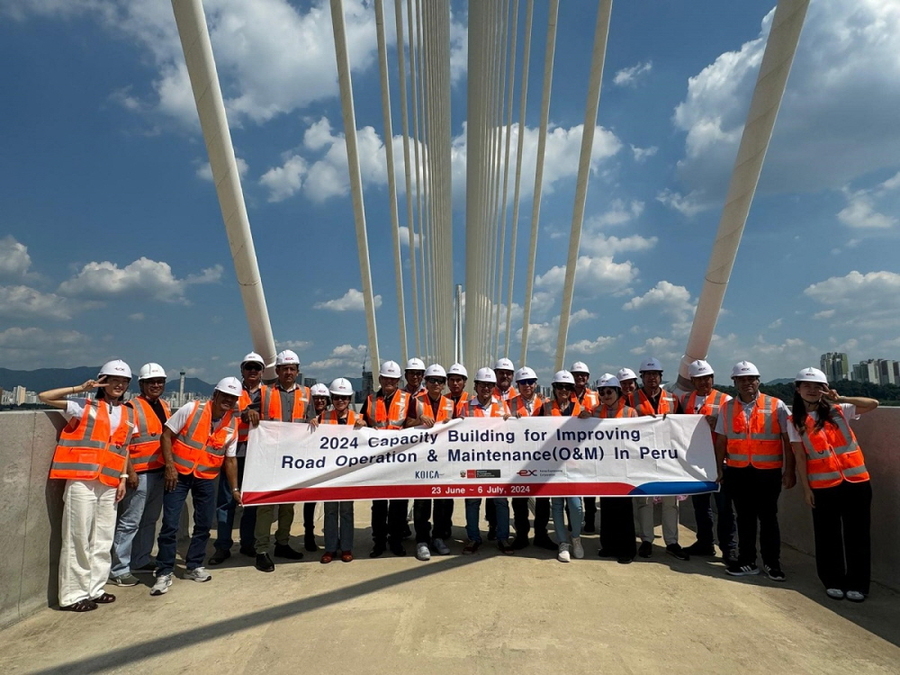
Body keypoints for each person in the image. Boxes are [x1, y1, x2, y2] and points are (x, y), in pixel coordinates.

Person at [40, 360, 135, 612]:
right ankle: (73, 595)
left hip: (110, 482)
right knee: (77, 537)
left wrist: (123, 478)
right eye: (112, 379)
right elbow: (44, 397)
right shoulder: (84, 406)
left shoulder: (127, 413)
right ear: (102, 382)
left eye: (123, 381)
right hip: (82, 479)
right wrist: (79, 387)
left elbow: (123, 448)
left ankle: (95, 588)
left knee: (103, 537)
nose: (119, 384)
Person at [788, 367, 878, 602]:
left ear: (824, 389)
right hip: (823, 486)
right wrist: (807, 490)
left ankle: (858, 584)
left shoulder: (840, 410)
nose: (812, 390)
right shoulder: (795, 421)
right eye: (806, 386)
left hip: (856, 482)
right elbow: (800, 458)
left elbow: (873, 404)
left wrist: (842, 398)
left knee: (857, 536)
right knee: (827, 537)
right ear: (798, 390)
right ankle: (833, 580)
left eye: (817, 386)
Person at [151, 377, 240, 596]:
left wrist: (235, 489)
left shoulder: (232, 424)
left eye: (233, 398)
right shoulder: (192, 408)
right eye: (225, 396)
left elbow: (230, 459)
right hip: (178, 476)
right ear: (215, 395)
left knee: (202, 525)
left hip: (206, 479)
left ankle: (194, 565)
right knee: (170, 524)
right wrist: (169, 466)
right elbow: (166, 434)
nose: (228, 401)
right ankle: (164, 571)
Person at [715, 360, 796, 580]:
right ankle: (747, 561)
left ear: (758, 380)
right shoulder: (727, 408)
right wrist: (719, 468)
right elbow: (722, 440)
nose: (746, 383)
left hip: (767, 471)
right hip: (738, 470)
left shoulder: (776, 405)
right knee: (744, 518)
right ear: (735, 382)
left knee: (769, 518)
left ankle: (772, 563)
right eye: (741, 379)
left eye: (750, 378)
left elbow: (788, 440)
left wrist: (790, 471)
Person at [109, 363, 170, 586]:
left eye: (159, 382)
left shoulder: (164, 405)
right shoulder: (130, 408)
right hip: (140, 474)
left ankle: (140, 559)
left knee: (149, 520)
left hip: (158, 471)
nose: (156, 385)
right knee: (129, 522)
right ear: (142, 384)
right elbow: (123, 443)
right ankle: (119, 569)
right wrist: (130, 472)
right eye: (151, 382)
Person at [251, 350, 309, 572]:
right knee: (266, 506)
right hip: (269, 459)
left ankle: (282, 543)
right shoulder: (264, 393)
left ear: (297, 371)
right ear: (276, 371)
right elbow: (248, 411)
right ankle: (262, 550)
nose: (288, 372)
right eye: (284, 368)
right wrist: (251, 414)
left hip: (293, 460)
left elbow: (311, 420)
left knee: (288, 505)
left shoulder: (306, 393)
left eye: (292, 368)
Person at [631, 357, 688, 561]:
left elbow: (683, 427)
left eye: (655, 374)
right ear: (642, 377)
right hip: (642, 457)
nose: (651, 378)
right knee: (644, 501)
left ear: (660, 376)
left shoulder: (673, 399)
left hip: (667, 459)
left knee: (670, 502)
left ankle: (671, 542)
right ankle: (647, 540)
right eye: (647, 375)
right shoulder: (631, 399)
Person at [679, 360, 736, 562]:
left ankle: (729, 548)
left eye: (708, 378)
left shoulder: (725, 400)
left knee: (724, 507)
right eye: (700, 379)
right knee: (701, 506)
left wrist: (718, 423)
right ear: (693, 380)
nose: (705, 382)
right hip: (696, 462)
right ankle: (705, 542)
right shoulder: (686, 400)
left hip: (719, 460)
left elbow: (734, 430)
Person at [209, 351, 263, 566]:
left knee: (251, 502)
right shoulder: (231, 391)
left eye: (256, 368)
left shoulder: (269, 394)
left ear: (261, 372)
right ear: (242, 370)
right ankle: (223, 546)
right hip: (232, 453)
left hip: (257, 454)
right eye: (249, 367)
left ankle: (248, 543)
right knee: (226, 502)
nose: (252, 371)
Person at [363, 360, 420, 557]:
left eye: (393, 379)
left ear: (398, 381)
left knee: (398, 503)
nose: (389, 382)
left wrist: (422, 421)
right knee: (378, 504)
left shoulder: (407, 398)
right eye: (386, 378)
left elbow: (411, 422)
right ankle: (378, 542)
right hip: (377, 460)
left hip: (399, 458)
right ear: (380, 379)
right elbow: (364, 422)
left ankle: (395, 541)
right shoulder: (370, 400)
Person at [457, 367, 513, 554]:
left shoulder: (502, 407)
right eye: (483, 385)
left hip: (496, 462)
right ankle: (473, 538)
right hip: (474, 461)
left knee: (501, 501)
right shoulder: (465, 407)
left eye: (490, 385)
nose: (486, 388)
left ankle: (503, 538)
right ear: (476, 386)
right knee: (472, 501)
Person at [536, 370, 585, 562]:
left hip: (574, 465)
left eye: (567, 387)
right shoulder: (546, 408)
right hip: (553, 464)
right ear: (554, 389)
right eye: (559, 387)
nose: (563, 390)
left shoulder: (581, 408)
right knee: (556, 505)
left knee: (576, 506)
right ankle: (563, 543)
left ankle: (576, 538)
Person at [316, 378, 365, 564]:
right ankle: (329, 548)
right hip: (329, 472)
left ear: (350, 398)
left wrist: (364, 428)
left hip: (348, 473)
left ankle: (346, 547)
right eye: (336, 397)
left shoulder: (358, 419)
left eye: (344, 397)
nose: (340, 401)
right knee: (330, 511)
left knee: (346, 510)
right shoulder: (323, 418)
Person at [591, 374, 639, 564]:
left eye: (609, 391)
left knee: (624, 510)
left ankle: (627, 549)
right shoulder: (595, 413)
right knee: (607, 508)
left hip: (623, 468)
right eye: (602, 392)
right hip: (604, 467)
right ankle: (609, 545)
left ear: (618, 391)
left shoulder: (630, 412)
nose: (605, 395)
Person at [412, 364, 456, 560]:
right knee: (421, 501)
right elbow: (405, 425)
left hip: (442, 459)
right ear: (426, 383)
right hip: (421, 458)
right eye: (432, 381)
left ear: (444, 384)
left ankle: (437, 537)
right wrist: (418, 419)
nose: (436, 384)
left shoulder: (450, 403)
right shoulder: (416, 401)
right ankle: (422, 540)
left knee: (441, 501)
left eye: (439, 381)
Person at [509, 367, 554, 551]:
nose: (527, 386)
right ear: (517, 385)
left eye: (530, 382)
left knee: (543, 499)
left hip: (541, 457)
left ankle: (541, 535)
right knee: (519, 500)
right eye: (523, 383)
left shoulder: (546, 403)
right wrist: (509, 418)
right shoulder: (509, 404)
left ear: (536, 384)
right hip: (517, 457)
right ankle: (521, 535)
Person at [304, 383, 333, 553]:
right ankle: (309, 534)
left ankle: (331, 535)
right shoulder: (304, 418)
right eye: (316, 398)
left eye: (323, 398)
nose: (320, 401)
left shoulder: (331, 417)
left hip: (329, 466)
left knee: (331, 504)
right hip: (311, 466)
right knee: (309, 503)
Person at [571, 361, 599, 533]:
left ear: (588, 378)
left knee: (589, 488)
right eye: (577, 375)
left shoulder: (595, 396)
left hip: (589, 448)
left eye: (583, 375)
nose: (580, 377)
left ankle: (589, 520)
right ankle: (573, 521)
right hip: (570, 449)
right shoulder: (565, 394)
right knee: (572, 488)